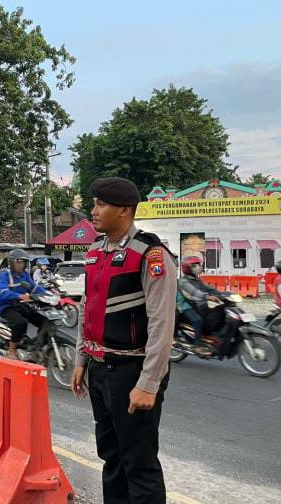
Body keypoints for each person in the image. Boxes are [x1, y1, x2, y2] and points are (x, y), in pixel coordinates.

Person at [71, 177, 176, 504]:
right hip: (99, 369)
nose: (94, 210)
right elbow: (87, 307)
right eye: (95, 203)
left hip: (131, 370)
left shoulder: (151, 254)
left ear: (125, 211)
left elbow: (162, 323)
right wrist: (80, 360)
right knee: (111, 456)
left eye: (101, 204)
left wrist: (149, 382)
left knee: (139, 462)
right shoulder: (94, 252)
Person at [0, 249, 48, 359]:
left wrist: (50, 294)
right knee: (20, 322)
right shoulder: (5, 274)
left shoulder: (24, 275)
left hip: (21, 304)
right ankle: (12, 350)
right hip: (6, 306)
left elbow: (35, 287)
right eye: (18, 262)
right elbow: (3, 291)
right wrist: (18, 296)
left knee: (44, 320)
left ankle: (36, 347)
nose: (21, 264)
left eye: (23, 262)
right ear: (12, 262)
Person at [176, 255, 220, 355]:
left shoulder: (197, 280)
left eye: (198, 265)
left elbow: (208, 288)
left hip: (196, 304)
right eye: (195, 265)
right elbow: (194, 292)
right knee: (198, 320)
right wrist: (207, 297)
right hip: (185, 305)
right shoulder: (183, 281)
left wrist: (223, 294)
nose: (198, 267)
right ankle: (197, 345)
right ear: (188, 268)